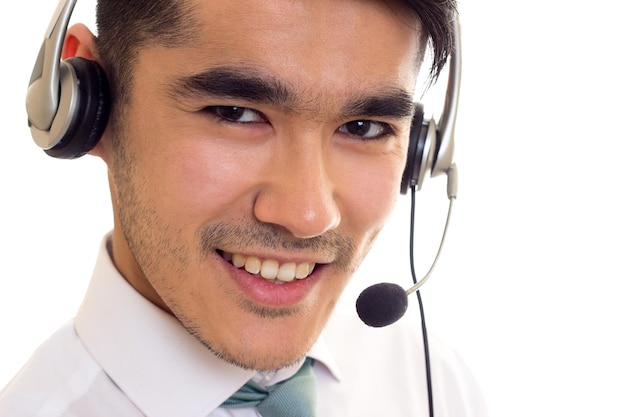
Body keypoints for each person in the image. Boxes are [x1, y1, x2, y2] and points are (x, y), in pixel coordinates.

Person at [0, 0, 487, 416]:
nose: (307, 215)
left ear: (422, 149)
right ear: (81, 102)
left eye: (364, 127)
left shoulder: (432, 385)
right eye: (236, 113)